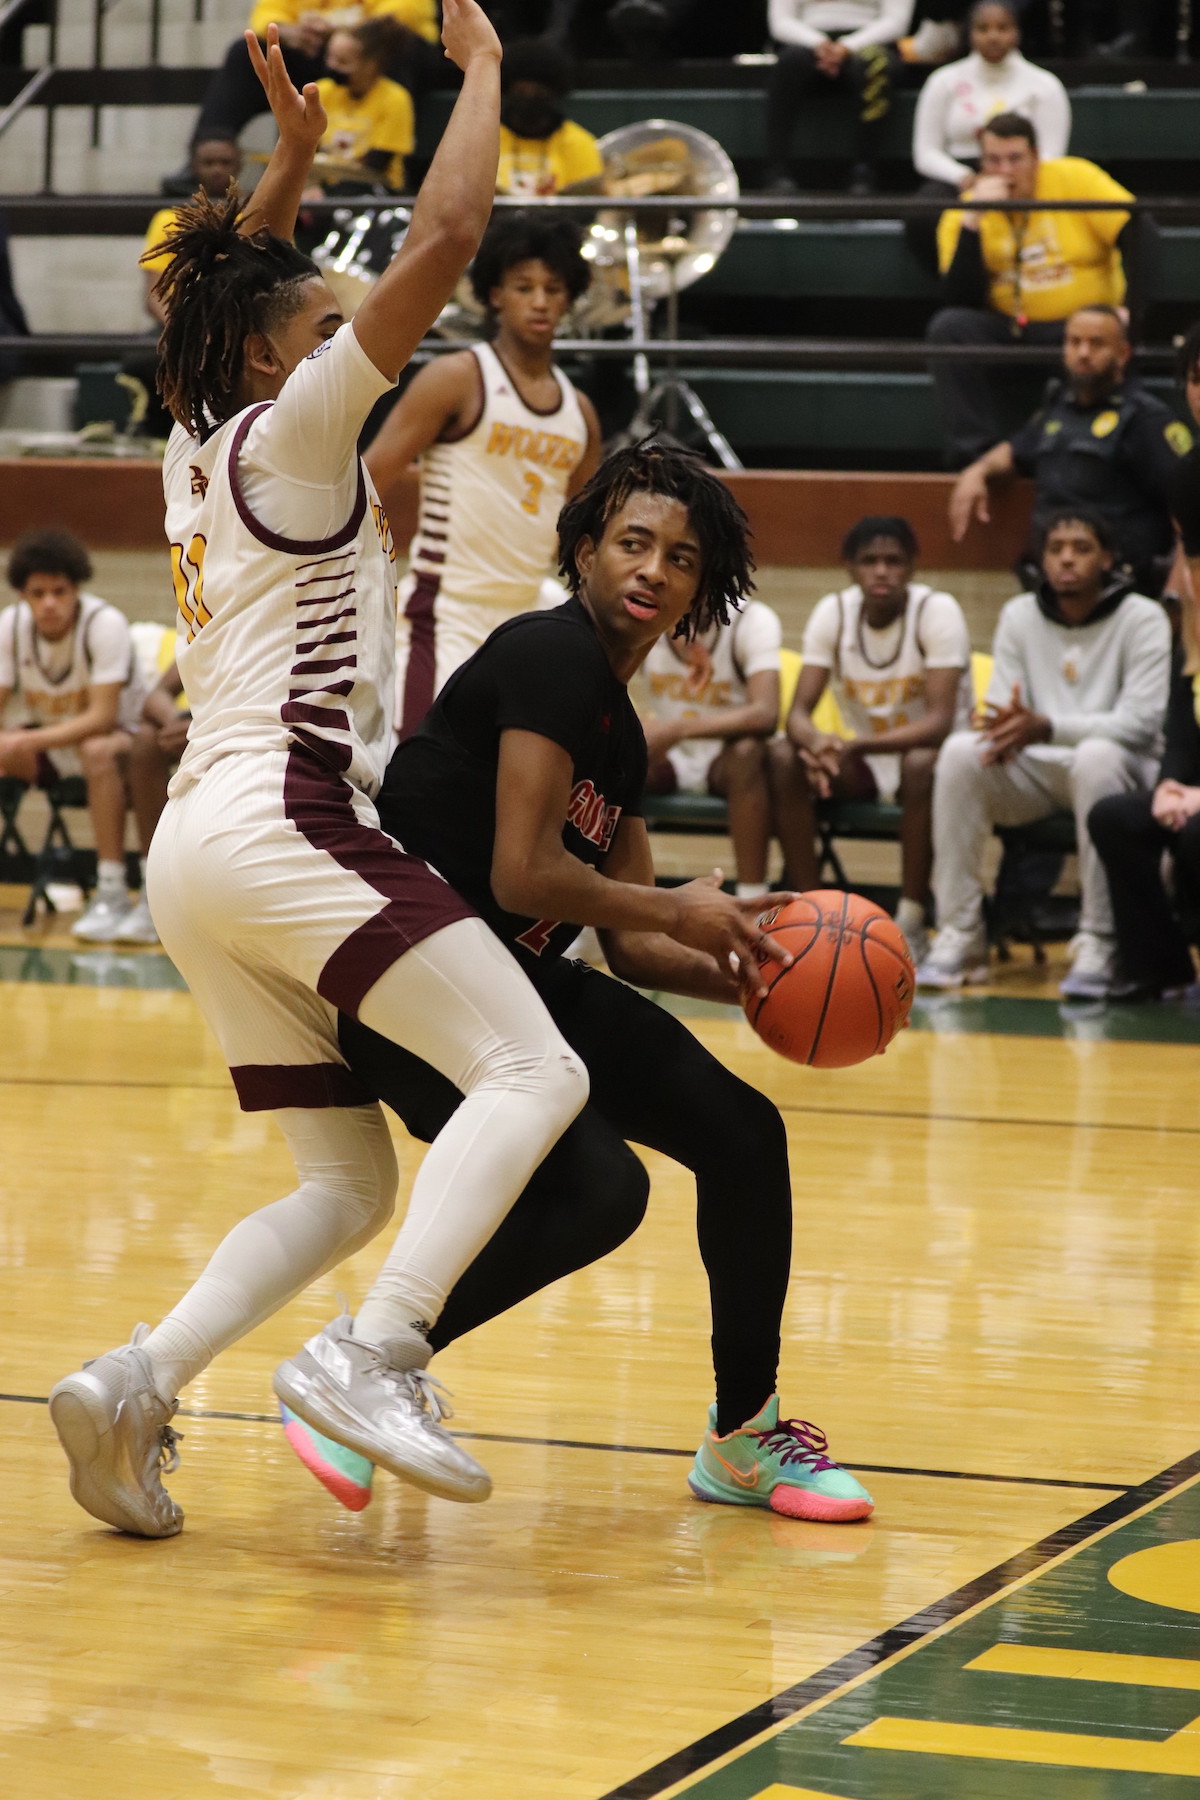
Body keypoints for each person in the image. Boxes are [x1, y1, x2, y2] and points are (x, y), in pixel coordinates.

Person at [46, 4, 604, 1541]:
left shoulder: (192, 441)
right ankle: (378, 1347)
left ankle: (136, 1383)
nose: (345, 340)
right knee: (533, 1070)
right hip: (283, 812)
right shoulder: (296, 432)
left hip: (193, 852)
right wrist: (481, 66)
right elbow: (453, 222)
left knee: (345, 1182)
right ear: (279, 360)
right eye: (323, 328)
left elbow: (226, 300)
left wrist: (284, 163)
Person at [281, 440, 876, 1525]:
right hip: (415, 986)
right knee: (601, 1190)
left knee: (745, 1136)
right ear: (585, 550)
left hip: (513, 979)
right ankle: (355, 1369)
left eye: (682, 558)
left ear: (706, 589)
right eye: (634, 543)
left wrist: (756, 964)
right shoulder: (550, 655)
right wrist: (671, 908)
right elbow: (524, 871)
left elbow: (637, 944)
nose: (654, 569)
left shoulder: (624, 727)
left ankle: (744, 1436)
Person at [917, 509, 1171, 1000]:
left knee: (1097, 756)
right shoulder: (1019, 615)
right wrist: (1008, 727)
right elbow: (1004, 711)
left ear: (1108, 559)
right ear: (1042, 558)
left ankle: (1099, 938)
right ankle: (961, 933)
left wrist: (1048, 726)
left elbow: (1140, 724)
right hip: (1040, 769)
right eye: (1056, 549)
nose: (1067, 560)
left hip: (1123, 774)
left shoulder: (1143, 617)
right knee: (959, 753)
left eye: (1081, 547)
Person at [365, 207, 601, 736]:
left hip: (527, 618)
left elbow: (587, 537)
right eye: (524, 287)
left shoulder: (579, 411)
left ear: (568, 299)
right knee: (415, 770)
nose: (539, 301)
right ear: (495, 294)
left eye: (552, 288)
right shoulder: (456, 378)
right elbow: (369, 477)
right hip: (444, 612)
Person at [769, 516, 971, 966]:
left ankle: (912, 919)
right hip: (866, 758)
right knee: (784, 754)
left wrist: (851, 747)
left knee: (919, 763)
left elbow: (939, 723)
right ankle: (807, 910)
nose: (882, 571)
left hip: (936, 764)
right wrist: (818, 743)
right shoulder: (834, 612)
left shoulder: (937, 612)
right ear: (851, 569)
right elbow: (797, 713)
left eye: (893, 561)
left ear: (912, 568)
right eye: (870, 561)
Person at [928, 114, 1144, 468]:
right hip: (1008, 326)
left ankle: (1095, 453)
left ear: (1036, 157)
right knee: (949, 327)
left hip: (1074, 328)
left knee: (1103, 335)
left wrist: (1131, 310)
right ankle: (976, 457)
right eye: (993, 161)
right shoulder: (963, 211)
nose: (1005, 171)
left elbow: (1140, 231)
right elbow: (960, 298)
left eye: (1015, 159)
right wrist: (973, 222)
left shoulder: (1074, 178)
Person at [948, 306, 1192, 598]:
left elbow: (1190, 509)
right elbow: (1015, 451)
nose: (1083, 353)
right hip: (1049, 591)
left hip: (1123, 594)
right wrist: (979, 470)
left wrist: (1175, 594)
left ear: (1123, 353)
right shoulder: (1058, 408)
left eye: (1096, 343)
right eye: (1074, 342)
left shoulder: (1146, 420)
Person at [0, 530, 148, 943]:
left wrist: (24, 741)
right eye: (38, 593)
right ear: (22, 595)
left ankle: (112, 888)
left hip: (121, 741)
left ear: (77, 588)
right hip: (52, 746)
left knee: (95, 749)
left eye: (59, 591)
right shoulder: (10, 628)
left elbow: (102, 718)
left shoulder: (105, 624)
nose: (49, 603)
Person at [907, 1, 1070, 274]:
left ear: (1017, 33)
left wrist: (1011, 179)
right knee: (922, 216)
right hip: (960, 175)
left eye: (1002, 28)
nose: (993, 36)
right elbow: (925, 153)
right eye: (983, 28)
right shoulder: (943, 81)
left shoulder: (1045, 85)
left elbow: (1052, 154)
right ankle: (951, 285)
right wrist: (965, 178)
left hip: (1022, 175)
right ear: (970, 33)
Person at [642, 595, 784, 902]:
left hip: (727, 758)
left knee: (748, 754)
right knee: (610, 754)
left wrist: (677, 729)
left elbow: (765, 714)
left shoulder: (753, 620)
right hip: (671, 756)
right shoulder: (647, 616)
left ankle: (752, 903)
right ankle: (597, 909)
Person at [194, 0, 436, 146]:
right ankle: (210, 149)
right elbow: (266, 13)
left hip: (383, 47)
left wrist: (343, 32)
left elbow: (403, 11)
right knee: (244, 53)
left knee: (396, 45)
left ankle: (382, 160)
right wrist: (287, 31)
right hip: (316, 48)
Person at [763, 0, 915, 198]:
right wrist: (820, 44)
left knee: (875, 65)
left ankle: (864, 171)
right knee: (788, 63)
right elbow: (781, 21)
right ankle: (776, 170)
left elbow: (896, 21)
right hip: (806, 39)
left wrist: (847, 46)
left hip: (869, 40)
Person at [117, 663, 191, 945]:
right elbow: (155, 696)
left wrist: (206, 730)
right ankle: (155, 891)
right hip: (207, 729)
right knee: (147, 741)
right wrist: (178, 722)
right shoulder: (208, 622)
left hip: (263, 732)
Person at [142, 133, 243, 325]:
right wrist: (185, 334)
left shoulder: (257, 217)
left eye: (225, 162)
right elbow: (154, 295)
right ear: (194, 167)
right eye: (209, 163)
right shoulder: (169, 219)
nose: (217, 170)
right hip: (180, 325)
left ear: (239, 165)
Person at [308, 17, 415, 193]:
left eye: (343, 62)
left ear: (370, 65)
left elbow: (375, 165)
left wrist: (324, 190)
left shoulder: (395, 99)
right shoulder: (321, 91)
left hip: (372, 189)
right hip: (323, 184)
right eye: (330, 57)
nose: (332, 66)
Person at [494, 38, 602, 195]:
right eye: (523, 87)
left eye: (539, 88)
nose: (530, 94)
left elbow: (585, 207)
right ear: (508, 87)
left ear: (555, 91)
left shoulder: (579, 143)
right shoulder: (485, 140)